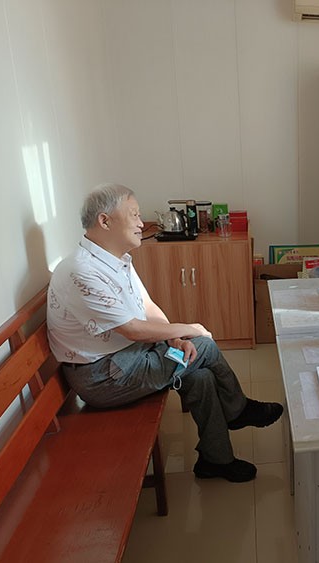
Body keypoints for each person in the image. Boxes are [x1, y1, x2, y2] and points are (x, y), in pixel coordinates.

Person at [47, 183, 283, 483]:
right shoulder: (82, 270)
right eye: (134, 215)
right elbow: (133, 329)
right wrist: (192, 329)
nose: (141, 223)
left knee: (200, 374)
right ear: (105, 221)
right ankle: (238, 410)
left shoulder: (115, 260)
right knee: (204, 345)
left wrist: (175, 338)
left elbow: (147, 307)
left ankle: (216, 460)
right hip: (104, 377)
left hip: (126, 358)